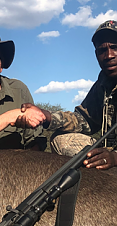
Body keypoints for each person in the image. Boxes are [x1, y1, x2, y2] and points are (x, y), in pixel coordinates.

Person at [19, 20, 117, 170]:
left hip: (113, 157)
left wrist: (115, 157)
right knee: (60, 140)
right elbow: (83, 120)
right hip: (108, 153)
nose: (109, 55)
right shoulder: (104, 82)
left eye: (115, 47)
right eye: (101, 50)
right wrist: (46, 116)